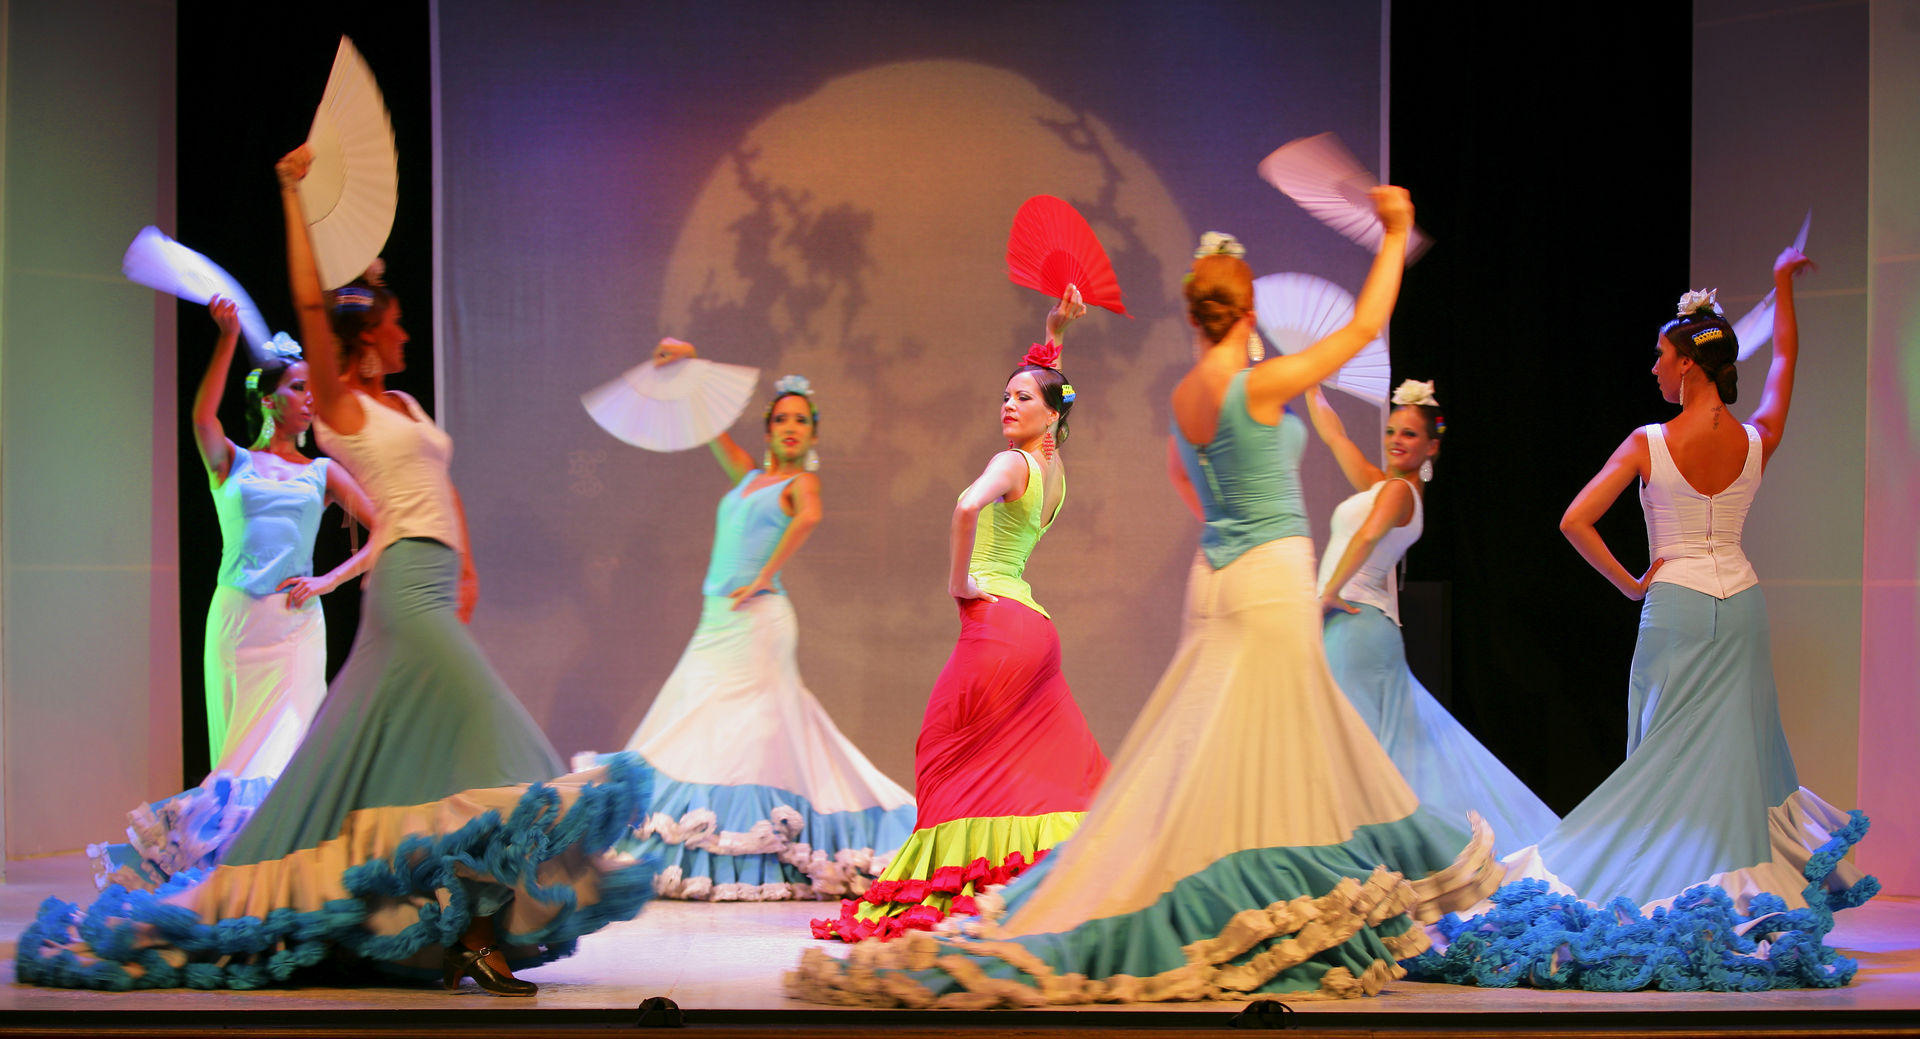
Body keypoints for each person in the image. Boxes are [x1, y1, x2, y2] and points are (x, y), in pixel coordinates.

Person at [794, 195, 1502, 1003]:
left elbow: (1180, 476)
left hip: (1217, 578)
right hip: (1269, 573)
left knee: (1225, 742)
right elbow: (1365, 323)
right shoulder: (1258, 384)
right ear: (1246, 314)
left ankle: (1258, 900)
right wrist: (1396, 233)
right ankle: (1288, 900)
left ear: (1194, 317)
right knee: (1291, 741)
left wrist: (1225, 522)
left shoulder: (1187, 397)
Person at [19, 146, 654, 996]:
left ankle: (460, 930)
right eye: (394, 324)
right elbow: (313, 302)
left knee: (423, 762)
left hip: (431, 582)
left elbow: (436, 488)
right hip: (403, 592)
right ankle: (471, 929)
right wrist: (292, 194)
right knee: (493, 739)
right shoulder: (344, 408)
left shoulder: (404, 404)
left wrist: (465, 567)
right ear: (363, 337)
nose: (404, 333)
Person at [1412, 248, 1875, 991]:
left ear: (1688, 364)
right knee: (1736, 759)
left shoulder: (1649, 442)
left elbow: (1574, 520)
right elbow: (1786, 361)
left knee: (1662, 755)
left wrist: (1630, 583)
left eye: (1661, 356)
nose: (1654, 367)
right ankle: (1733, 893)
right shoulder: (1756, 438)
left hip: (1678, 607)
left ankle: (1641, 878)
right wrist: (1783, 284)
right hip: (1743, 607)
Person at [811, 287, 1110, 942]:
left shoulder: (1009, 462)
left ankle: (952, 890)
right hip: (1036, 632)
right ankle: (1031, 887)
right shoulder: (1053, 470)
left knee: (945, 754)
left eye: (1021, 398)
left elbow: (966, 506)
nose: (1008, 404)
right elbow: (1055, 395)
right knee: (1027, 766)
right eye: (1004, 396)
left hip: (996, 624)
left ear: (1047, 414)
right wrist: (1055, 335)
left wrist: (959, 583)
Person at [90, 300, 377, 892]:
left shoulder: (320, 473)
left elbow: (388, 526)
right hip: (238, 626)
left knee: (288, 751)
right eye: (298, 388)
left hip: (296, 629)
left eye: (311, 389)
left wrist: (330, 580)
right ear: (269, 400)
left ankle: (284, 884)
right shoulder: (233, 464)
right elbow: (201, 417)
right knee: (236, 762)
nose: (310, 399)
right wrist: (225, 340)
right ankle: (235, 884)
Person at [616, 344, 916, 901]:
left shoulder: (800, 484)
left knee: (749, 729)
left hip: (758, 621)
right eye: (782, 419)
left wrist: (764, 575)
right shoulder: (748, 476)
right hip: (716, 622)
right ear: (768, 430)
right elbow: (709, 427)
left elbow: (810, 516)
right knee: (694, 719)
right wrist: (687, 367)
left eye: (801, 421)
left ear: (813, 434)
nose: (791, 428)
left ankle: (754, 845)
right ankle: (694, 843)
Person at [1306, 380, 1559, 857]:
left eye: (1410, 434)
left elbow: (1366, 537)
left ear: (1431, 448)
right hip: (1358, 623)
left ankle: (1367, 855)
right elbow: (1335, 436)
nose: (1396, 440)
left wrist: (1327, 594)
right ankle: (1368, 851)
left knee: (1349, 747)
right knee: (1364, 748)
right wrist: (1312, 387)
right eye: (1391, 431)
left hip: (1354, 620)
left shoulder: (1398, 492)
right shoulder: (1384, 487)